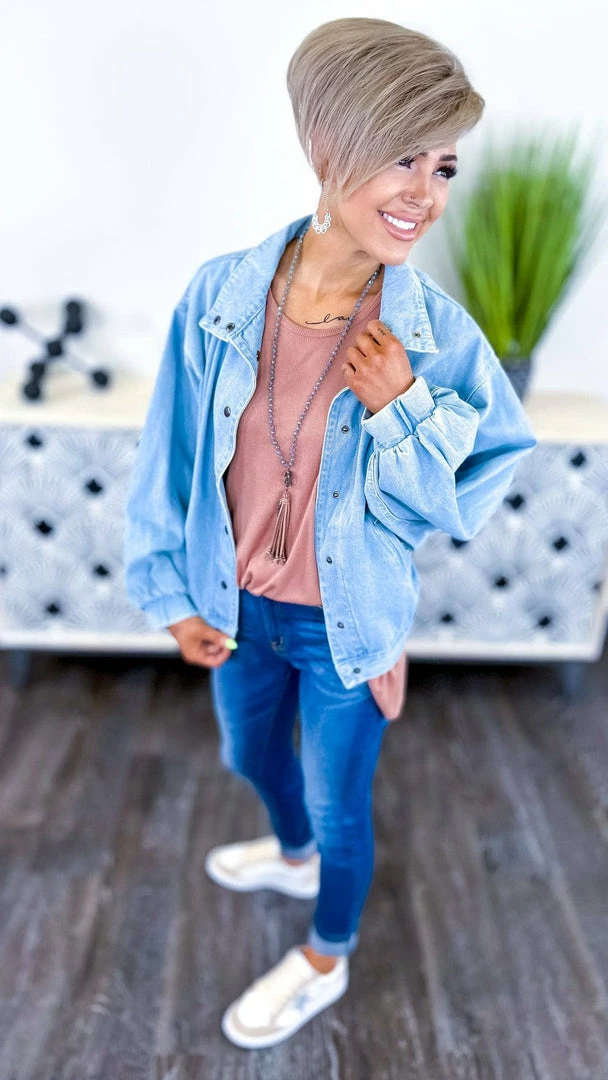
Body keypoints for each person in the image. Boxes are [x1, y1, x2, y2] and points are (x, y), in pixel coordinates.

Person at [123, 16, 538, 1050]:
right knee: (246, 754)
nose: (426, 194)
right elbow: (169, 453)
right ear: (327, 145)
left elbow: (470, 493)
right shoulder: (221, 294)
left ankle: (325, 952)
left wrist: (403, 407)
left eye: (443, 166)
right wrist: (170, 590)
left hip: (342, 624)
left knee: (340, 798)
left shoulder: (433, 337)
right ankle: (293, 853)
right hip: (233, 603)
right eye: (403, 157)